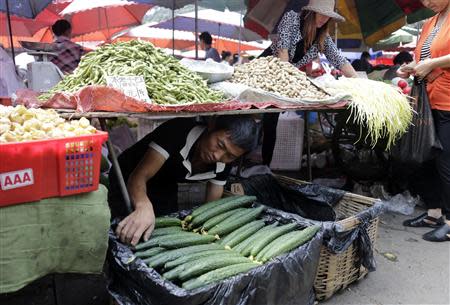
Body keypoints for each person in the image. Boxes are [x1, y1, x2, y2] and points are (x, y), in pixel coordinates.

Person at [109, 116, 260, 245]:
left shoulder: (225, 161)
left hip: (166, 181)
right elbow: (139, 177)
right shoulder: (177, 131)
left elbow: (211, 204)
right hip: (128, 177)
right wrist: (143, 206)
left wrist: (207, 229)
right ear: (212, 126)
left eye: (230, 155)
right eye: (220, 145)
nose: (218, 156)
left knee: (162, 230)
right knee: (127, 230)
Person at [260, 0, 357, 165]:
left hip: (286, 79)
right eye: (321, 14)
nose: (324, 19)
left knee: (271, 121)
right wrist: (289, 81)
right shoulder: (292, 19)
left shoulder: (322, 37)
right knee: (257, 119)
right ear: (311, 12)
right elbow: (283, 52)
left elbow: (340, 61)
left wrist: (359, 81)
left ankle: (265, 167)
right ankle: (248, 163)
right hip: (266, 71)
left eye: (328, 16)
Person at [400, 0, 450, 242]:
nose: (427, 2)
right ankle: (433, 213)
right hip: (428, 100)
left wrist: (433, 63)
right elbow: (425, 58)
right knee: (425, 159)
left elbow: (435, 60)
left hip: (449, 101)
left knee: (446, 162)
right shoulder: (430, 22)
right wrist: (411, 67)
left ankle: (449, 222)